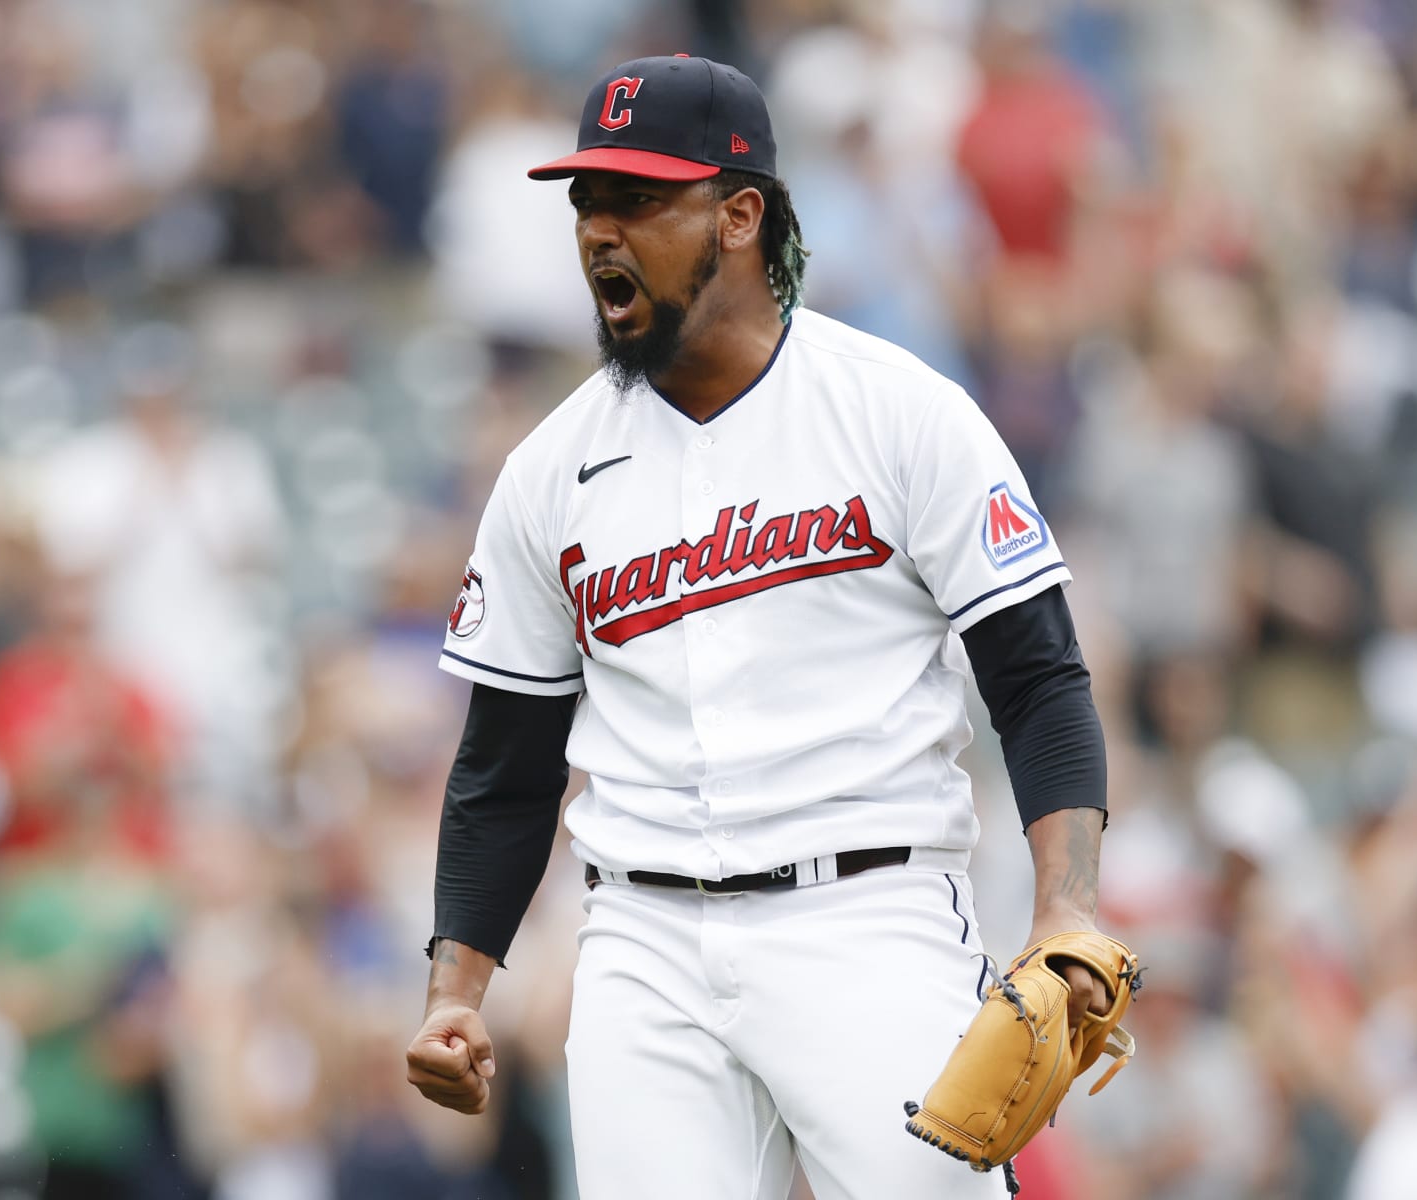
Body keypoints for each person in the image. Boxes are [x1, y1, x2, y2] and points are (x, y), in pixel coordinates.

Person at [406, 54, 1116, 1199]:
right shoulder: (548, 473)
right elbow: (504, 765)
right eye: (588, 201)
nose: (600, 232)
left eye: (638, 199)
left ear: (741, 214)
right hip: (643, 945)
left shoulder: (900, 413)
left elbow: (1038, 680)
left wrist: (1065, 905)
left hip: (868, 919)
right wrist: (456, 993)